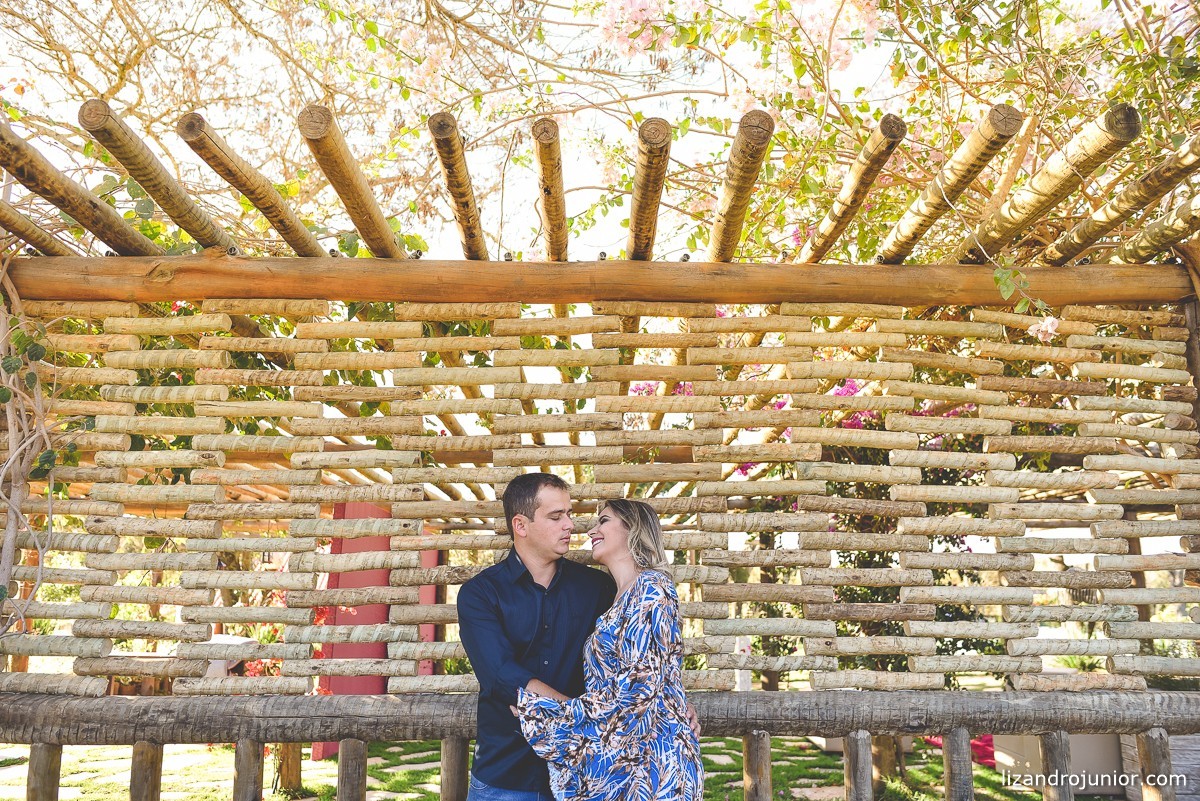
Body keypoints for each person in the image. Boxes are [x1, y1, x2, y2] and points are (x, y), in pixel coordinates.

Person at [515, 498, 705, 801]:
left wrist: (549, 712)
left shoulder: (652, 588)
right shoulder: (616, 600)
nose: (591, 530)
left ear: (632, 529)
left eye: (603, 521)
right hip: (626, 761)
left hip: (655, 765)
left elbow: (640, 683)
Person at [457, 473, 616, 801]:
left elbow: (634, 653)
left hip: (583, 775)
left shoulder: (597, 588)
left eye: (569, 514)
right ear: (521, 524)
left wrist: (672, 699)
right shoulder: (480, 594)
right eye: (556, 516)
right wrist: (580, 713)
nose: (570, 525)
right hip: (505, 778)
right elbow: (502, 676)